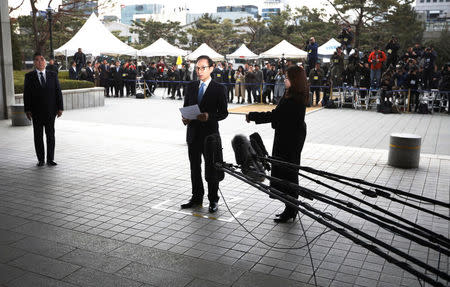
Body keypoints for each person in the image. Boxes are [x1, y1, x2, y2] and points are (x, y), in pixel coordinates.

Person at [246, 65, 308, 223]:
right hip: (287, 137)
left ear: (294, 80)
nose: (284, 80)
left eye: (287, 78)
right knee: (286, 173)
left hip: (290, 140)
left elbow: (275, 115)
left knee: (289, 174)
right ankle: (289, 208)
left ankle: (291, 209)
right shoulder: (292, 94)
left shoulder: (294, 98)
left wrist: (252, 116)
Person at [180, 55, 228, 213]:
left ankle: (213, 200)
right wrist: (185, 118)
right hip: (193, 134)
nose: (199, 71)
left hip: (210, 136)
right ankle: (196, 197)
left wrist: (209, 116)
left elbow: (223, 113)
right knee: (195, 168)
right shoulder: (191, 86)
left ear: (211, 68)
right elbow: (186, 106)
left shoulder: (219, 88)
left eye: (203, 68)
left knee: (211, 169)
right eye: (197, 68)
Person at [24, 52, 63, 167]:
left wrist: (60, 107)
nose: (40, 62)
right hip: (36, 112)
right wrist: (27, 110)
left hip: (51, 111)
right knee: (38, 136)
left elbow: (58, 92)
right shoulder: (29, 76)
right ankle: (40, 159)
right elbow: (27, 94)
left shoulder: (53, 74)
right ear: (34, 62)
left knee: (51, 135)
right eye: (37, 60)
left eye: (42, 59)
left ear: (45, 61)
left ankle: (50, 159)